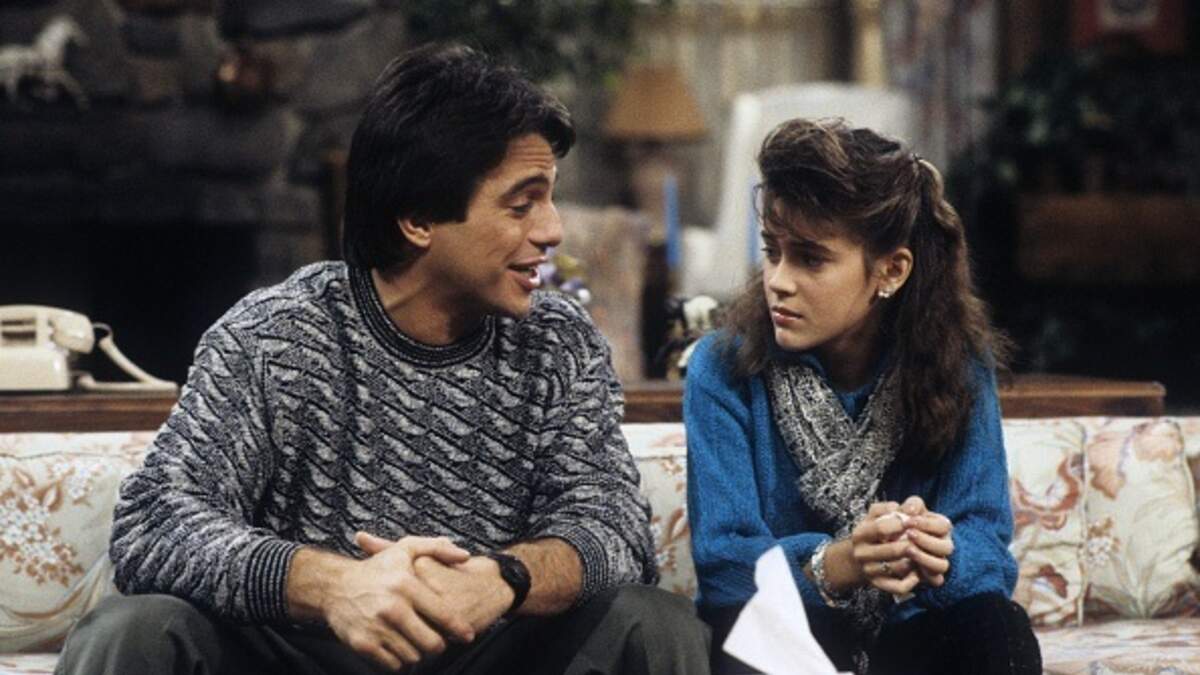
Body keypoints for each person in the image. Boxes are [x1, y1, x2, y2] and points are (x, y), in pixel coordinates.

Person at [56, 44, 710, 675]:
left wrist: (502, 577)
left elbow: (614, 530)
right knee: (133, 628)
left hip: (491, 649)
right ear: (417, 219)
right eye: (522, 204)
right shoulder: (276, 335)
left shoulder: (559, 341)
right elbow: (154, 523)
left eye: (550, 198)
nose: (552, 230)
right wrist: (332, 585)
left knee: (651, 623)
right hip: (300, 651)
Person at [684, 118, 1041, 675]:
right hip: (779, 640)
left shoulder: (960, 365)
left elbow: (988, 552)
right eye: (773, 252)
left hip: (907, 634)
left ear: (891, 271)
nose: (778, 280)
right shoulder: (722, 365)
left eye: (810, 258)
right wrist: (841, 562)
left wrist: (936, 552)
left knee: (996, 625)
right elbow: (722, 565)